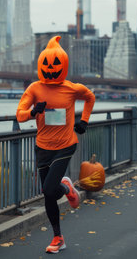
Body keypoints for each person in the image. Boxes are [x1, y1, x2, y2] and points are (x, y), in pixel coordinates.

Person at [16, 36, 95, 254]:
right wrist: (34, 112)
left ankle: (64, 188)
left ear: (63, 65)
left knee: (49, 189)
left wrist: (84, 121)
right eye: (47, 65)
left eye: (55, 65)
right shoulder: (34, 89)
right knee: (49, 194)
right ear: (41, 65)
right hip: (42, 147)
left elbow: (90, 98)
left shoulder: (71, 88)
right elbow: (20, 115)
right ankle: (58, 237)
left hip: (65, 144)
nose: (51, 68)